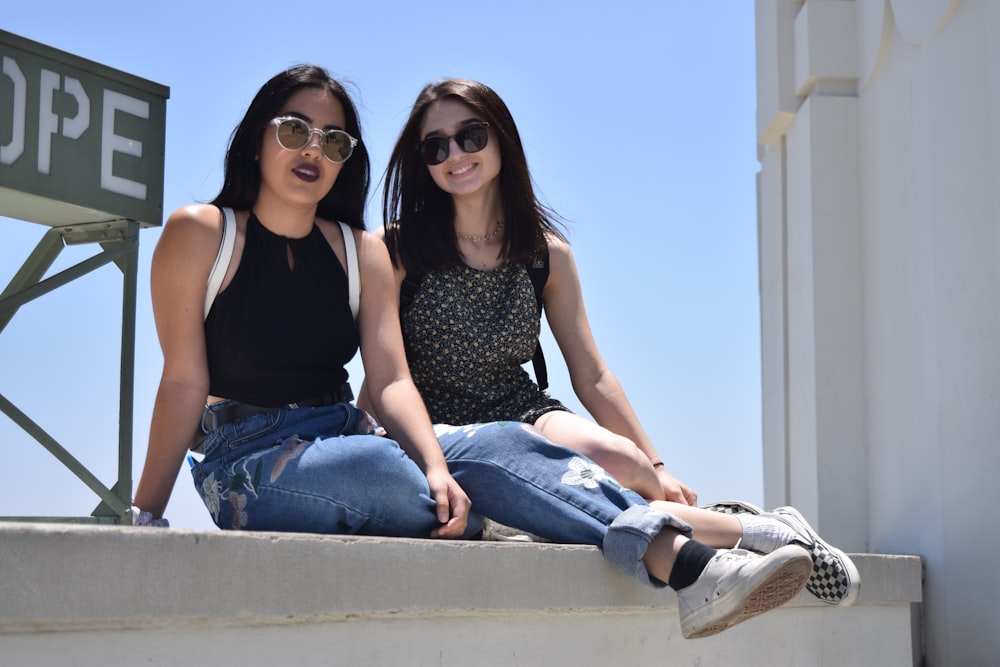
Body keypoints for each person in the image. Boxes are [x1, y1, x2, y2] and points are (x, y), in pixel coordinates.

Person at [130, 64, 816, 640]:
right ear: (257, 140)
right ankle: (558, 521)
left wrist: (435, 463)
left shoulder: (359, 251)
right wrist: (145, 516)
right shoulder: (204, 232)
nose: (313, 148)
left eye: (334, 140)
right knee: (378, 465)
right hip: (244, 457)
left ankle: (688, 564)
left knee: (502, 447)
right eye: (294, 130)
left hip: (345, 432)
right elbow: (184, 381)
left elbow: (390, 377)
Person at [361, 77, 860, 608]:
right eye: (436, 146)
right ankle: (759, 533)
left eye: (471, 135)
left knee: (623, 464)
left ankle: (746, 532)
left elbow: (592, 374)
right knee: (565, 492)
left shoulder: (545, 254)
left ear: (502, 138)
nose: (455, 154)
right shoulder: (395, 249)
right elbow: (386, 377)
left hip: (522, 410)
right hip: (434, 427)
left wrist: (658, 467)